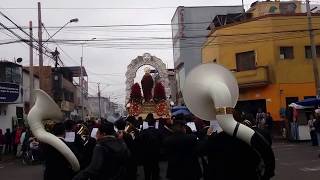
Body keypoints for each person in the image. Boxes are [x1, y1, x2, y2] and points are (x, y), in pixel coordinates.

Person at [204, 113, 275, 180]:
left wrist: (208, 136)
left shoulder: (215, 139)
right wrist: (266, 176)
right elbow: (267, 154)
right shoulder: (249, 135)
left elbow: (207, 160)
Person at [137, 113, 162, 180]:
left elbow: (139, 140)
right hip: (155, 152)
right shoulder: (157, 130)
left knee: (147, 169)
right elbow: (161, 140)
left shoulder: (143, 131)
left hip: (146, 153)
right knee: (155, 168)